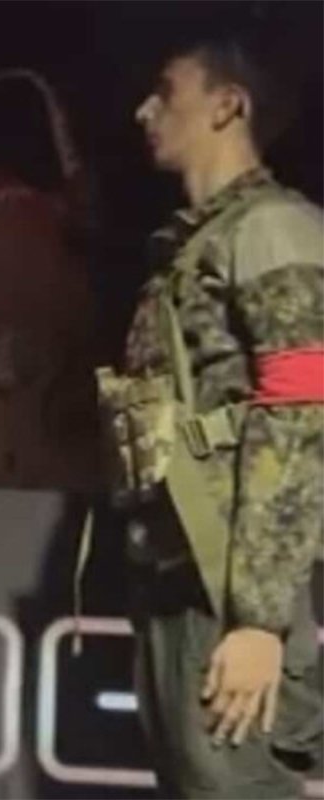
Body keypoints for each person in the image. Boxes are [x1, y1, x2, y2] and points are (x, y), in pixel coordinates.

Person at [95, 29, 323, 798]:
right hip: (179, 572)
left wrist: (259, 619)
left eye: (167, 92)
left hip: (231, 587)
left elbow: (299, 417)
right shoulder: (193, 249)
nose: (144, 110)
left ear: (228, 106)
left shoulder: (272, 230)